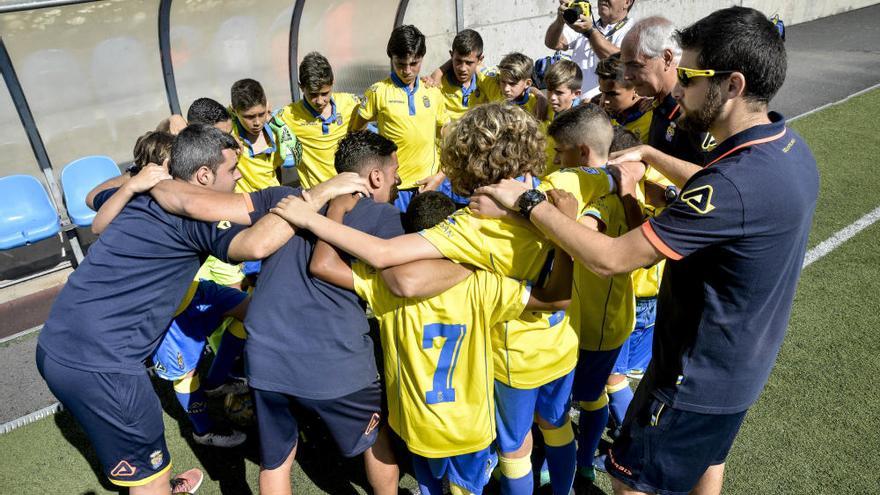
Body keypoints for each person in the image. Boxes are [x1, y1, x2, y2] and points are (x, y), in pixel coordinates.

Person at [472, 7, 817, 494]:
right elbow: (716, 185)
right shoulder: (785, 146)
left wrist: (530, 204)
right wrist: (652, 155)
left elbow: (610, 258)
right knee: (705, 464)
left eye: (691, 77)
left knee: (628, 481)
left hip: (693, 374)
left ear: (733, 85)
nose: (679, 89)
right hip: (741, 368)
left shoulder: (734, 184)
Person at [267, 103, 615, 495]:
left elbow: (384, 259)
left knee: (515, 450)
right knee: (557, 428)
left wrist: (312, 217)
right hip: (561, 344)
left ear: (463, 159)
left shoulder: (470, 227)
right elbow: (613, 177)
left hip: (512, 359)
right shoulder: (558, 191)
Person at [37, 124, 367, 495]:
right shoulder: (197, 219)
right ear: (204, 175)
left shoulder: (139, 193)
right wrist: (322, 192)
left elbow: (94, 195)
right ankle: (156, 483)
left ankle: (151, 473)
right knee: (149, 480)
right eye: (231, 169)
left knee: (134, 457)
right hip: (104, 366)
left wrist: (137, 176)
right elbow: (257, 244)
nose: (239, 174)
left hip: (54, 343)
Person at [149, 130, 406, 495]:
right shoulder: (383, 214)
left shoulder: (282, 197)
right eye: (394, 172)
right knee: (375, 439)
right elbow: (398, 283)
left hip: (265, 359)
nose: (398, 180)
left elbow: (203, 203)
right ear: (376, 177)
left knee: (276, 462)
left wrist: (152, 182)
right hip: (336, 363)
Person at [309, 190, 574, 495]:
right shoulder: (483, 282)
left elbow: (323, 265)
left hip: (417, 423)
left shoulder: (385, 283)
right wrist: (560, 233)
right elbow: (556, 298)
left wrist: (337, 209)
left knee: (430, 485)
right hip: (470, 425)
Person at [86, 132, 251, 449]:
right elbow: (93, 202)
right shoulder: (136, 204)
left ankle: (218, 380)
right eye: (174, 168)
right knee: (186, 375)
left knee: (250, 309)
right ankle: (204, 431)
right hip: (165, 317)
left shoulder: (181, 198)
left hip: (194, 292)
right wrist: (133, 180)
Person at [538, 104, 635, 492]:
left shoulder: (585, 190)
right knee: (591, 396)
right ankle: (581, 459)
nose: (556, 162)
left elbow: (576, 240)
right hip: (604, 319)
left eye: (560, 153)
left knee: (573, 401)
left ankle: (576, 461)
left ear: (580, 153)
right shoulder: (620, 183)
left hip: (592, 324)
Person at [353, 24, 450, 211]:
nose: (407, 71)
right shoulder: (377, 92)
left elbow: (448, 139)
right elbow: (357, 131)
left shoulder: (433, 91)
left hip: (431, 183)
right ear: (391, 58)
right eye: (400, 64)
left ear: (422, 58)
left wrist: (440, 177)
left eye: (414, 64)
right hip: (395, 188)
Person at [618, 17, 711, 165]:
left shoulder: (695, 110)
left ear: (667, 58)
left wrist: (647, 154)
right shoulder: (658, 104)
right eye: (625, 66)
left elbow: (712, 176)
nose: (626, 75)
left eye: (635, 65)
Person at [276, 51, 360, 189]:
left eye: (325, 93)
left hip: (350, 190)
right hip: (316, 196)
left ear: (332, 83)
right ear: (301, 87)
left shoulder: (350, 103)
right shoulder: (289, 115)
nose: (320, 101)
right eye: (313, 95)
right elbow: (259, 123)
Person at [544, 0, 636, 98]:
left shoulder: (633, 30)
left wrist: (590, 32)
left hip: (604, 106)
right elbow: (552, 43)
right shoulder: (588, 25)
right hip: (577, 105)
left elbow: (618, 61)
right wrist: (560, 20)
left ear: (627, 2)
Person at [229, 78, 286, 193]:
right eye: (249, 117)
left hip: (274, 197)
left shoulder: (279, 130)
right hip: (245, 203)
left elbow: (277, 168)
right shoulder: (229, 133)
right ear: (234, 111)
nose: (257, 122)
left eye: (261, 114)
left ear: (268, 106)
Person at [595, 53, 652, 142]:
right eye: (602, 92)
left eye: (612, 94)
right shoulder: (602, 115)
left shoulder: (653, 117)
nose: (605, 100)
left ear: (635, 88)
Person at [541, 59, 583, 176]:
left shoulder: (582, 122)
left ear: (576, 94)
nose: (552, 97)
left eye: (559, 93)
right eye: (549, 90)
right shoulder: (545, 107)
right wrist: (539, 95)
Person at [482, 52, 545, 118]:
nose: (506, 89)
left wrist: (540, 96)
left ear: (527, 83)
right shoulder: (494, 86)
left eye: (512, 84)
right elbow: (477, 66)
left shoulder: (535, 105)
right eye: (503, 81)